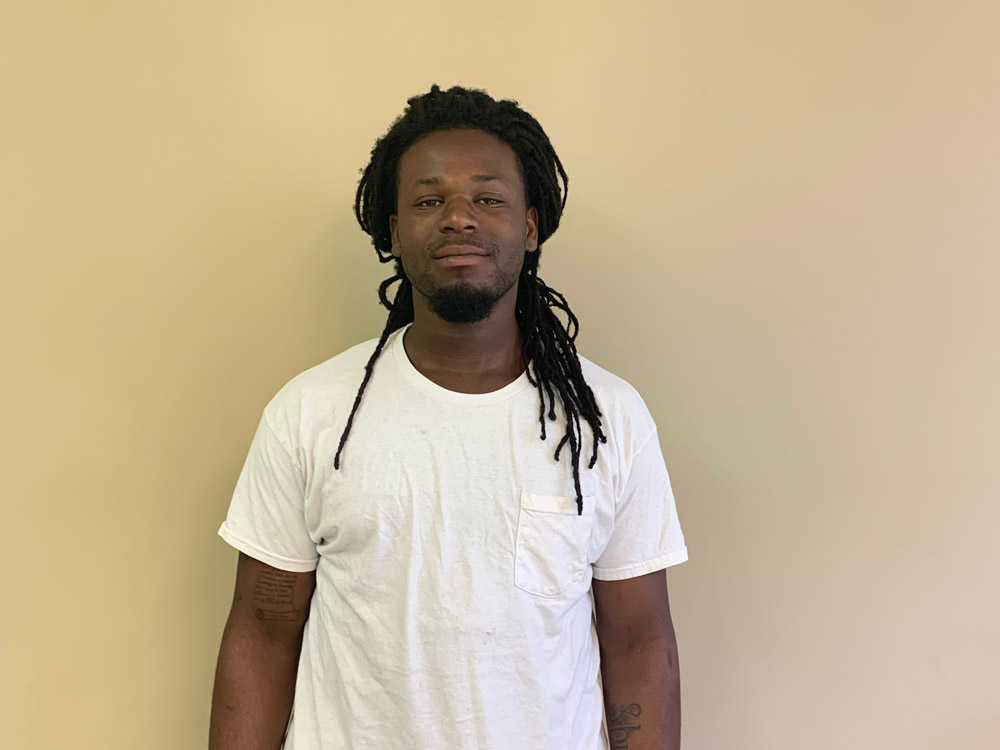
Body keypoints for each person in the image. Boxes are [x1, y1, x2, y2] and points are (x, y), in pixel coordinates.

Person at [209, 84, 688, 750]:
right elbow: (263, 632)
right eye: (429, 201)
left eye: (488, 199)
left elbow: (638, 641)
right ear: (393, 231)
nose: (459, 218)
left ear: (530, 226)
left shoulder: (608, 421)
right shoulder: (312, 412)